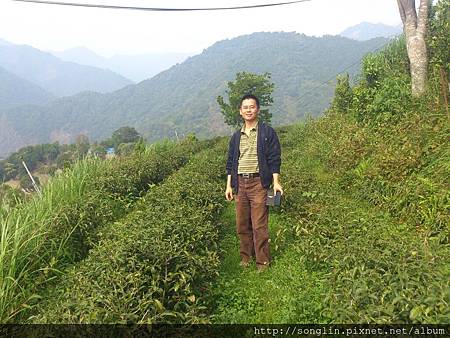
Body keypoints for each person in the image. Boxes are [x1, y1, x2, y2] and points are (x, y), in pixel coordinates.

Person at [225, 94, 283, 272]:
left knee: (259, 224)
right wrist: (229, 185)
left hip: (259, 182)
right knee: (242, 224)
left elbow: (274, 158)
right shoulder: (236, 137)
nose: (249, 110)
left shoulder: (267, 132)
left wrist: (276, 182)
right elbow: (230, 162)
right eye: (245, 107)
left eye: (252, 107)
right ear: (240, 111)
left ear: (257, 109)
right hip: (240, 183)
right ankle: (245, 257)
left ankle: (262, 262)